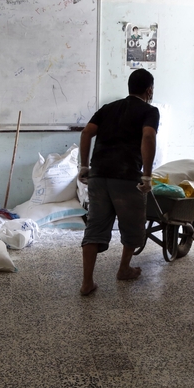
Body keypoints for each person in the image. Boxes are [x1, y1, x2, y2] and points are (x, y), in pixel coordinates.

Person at [77, 68, 158, 296]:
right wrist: (147, 176)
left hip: (99, 174)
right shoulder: (149, 111)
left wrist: (84, 166)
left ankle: (87, 282)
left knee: (95, 226)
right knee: (132, 224)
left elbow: (86, 133)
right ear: (149, 90)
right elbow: (149, 136)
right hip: (126, 176)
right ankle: (123, 268)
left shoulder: (108, 109)